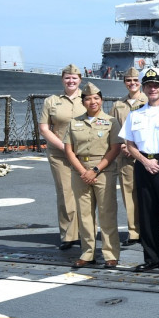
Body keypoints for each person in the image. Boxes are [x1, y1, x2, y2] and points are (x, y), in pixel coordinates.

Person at [119, 68, 159, 274]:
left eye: (156, 85)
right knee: (147, 214)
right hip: (143, 165)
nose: (152, 88)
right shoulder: (135, 114)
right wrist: (145, 162)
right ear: (144, 88)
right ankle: (152, 258)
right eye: (149, 85)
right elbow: (129, 143)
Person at [63, 83, 123, 267]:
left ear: (101, 100)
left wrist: (95, 170)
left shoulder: (111, 121)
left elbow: (115, 148)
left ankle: (110, 253)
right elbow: (69, 150)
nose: (92, 101)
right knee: (85, 214)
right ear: (83, 101)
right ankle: (87, 252)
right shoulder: (74, 122)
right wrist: (83, 171)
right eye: (88, 98)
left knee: (107, 212)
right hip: (80, 170)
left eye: (96, 98)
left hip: (103, 170)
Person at [39, 64, 84, 250]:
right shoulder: (51, 101)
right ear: (62, 80)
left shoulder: (89, 98)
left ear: (80, 79)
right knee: (65, 194)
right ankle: (68, 235)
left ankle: (86, 232)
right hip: (60, 154)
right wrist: (65, 149)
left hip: (85, 154)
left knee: (85, 195)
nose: (71, 81)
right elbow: (44, 128)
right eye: (67, 78)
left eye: (74, 78)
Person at [110, 67, 145, 247]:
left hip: (146, 156)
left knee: (147, 194)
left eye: (135, 80)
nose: (132, 83)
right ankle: (134, 232)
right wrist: (123, 145)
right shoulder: (118, 105)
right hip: (125, 157)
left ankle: (148, 230)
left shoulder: (149, 100)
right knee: (129, 194)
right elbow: (113, 129)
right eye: (128, 80)